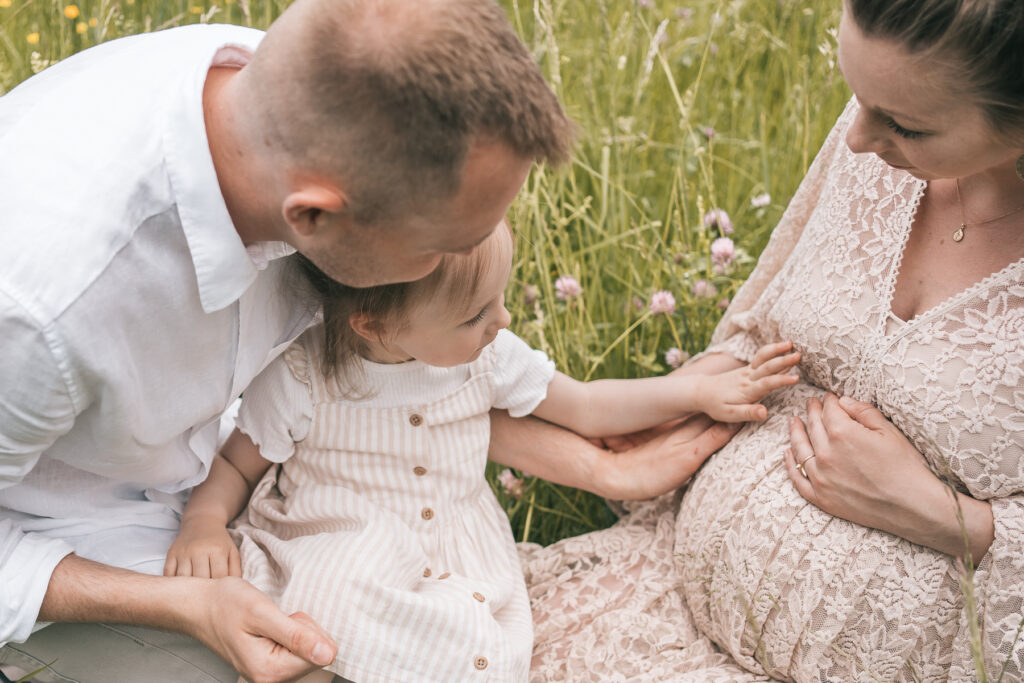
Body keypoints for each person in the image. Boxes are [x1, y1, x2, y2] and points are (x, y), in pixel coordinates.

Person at [0, 0, 587, 680]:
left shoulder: (305, 111)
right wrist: (187, 605)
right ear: (311, 216)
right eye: (442, 248)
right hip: (73, 545)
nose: (459, 265)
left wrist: (595, 463)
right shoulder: (42, 305)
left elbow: (415, 383)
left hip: (233, 474)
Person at [512, 0, 1024, 680]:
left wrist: (949, 518)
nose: (857, 137)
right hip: (661, 586)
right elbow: (769, 316)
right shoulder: (879, 126)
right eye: (856, 96)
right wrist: (683, 397)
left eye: (904, 124)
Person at [162, 221, 800, 682]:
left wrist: (697, 391)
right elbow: (238, 463)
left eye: (500, 299)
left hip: (452, 539)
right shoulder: (305, 376)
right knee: (337, 597)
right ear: (375, 324)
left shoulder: (487, 356)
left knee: (468, 639)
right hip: (341, 529)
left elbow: (588, 405)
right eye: (475, 313)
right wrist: (203, 522)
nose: (501, 320)